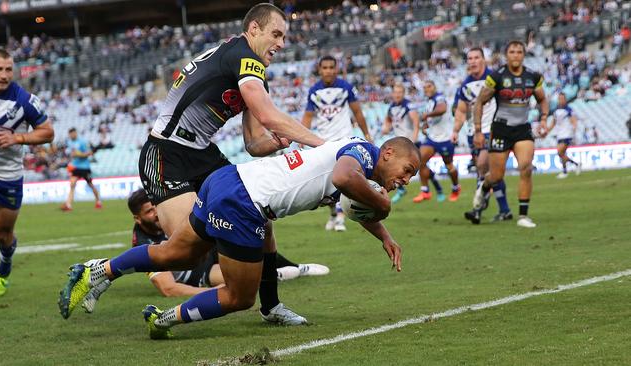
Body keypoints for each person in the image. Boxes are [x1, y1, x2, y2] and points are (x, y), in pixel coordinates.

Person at [90, 3, 325, 325]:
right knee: (185, 250)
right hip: (166, 153)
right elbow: (270, 116)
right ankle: (101, 270)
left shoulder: (251, 69)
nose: (282, 43)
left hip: (202, 153)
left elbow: (254, 144)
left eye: (284, 37)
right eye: (276, 34)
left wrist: (276, 142)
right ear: (253, 29)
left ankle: (271, 307)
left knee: (261, 220)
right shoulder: (244, 57)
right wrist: (326, 147)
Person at [58, 136, 419, 340]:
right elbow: (343, 179)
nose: (406, 180)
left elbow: (354, 198)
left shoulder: (365, 172)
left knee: (177, 254)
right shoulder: (360, 152)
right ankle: (164, 319)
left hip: (229, 181)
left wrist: (382, 233)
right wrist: (383, 208)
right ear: (387, 153)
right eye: (407, 170)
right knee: (237, 297)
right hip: (244, 202)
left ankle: (99, 270)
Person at [81, 189, 329, 312]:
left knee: (255, 237)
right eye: (148, 212)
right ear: (137, 218)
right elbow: (168, 288)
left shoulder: (169, 216)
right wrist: (212, 293)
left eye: (155, 207)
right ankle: (284, 273)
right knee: (243, 282)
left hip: (205, 257)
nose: (156, 214)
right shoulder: (142, 242)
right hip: (201, 274)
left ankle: (296, 268)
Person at [0, 48, 54, 297]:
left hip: (9, 176)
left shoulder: (25, 101)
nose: (3, 74)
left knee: (3, 234)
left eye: (8, 69)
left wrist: (17, 137)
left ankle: (5, 265)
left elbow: (47, 132)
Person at [468, 40, 549, 228]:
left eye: (519, 51)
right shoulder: (497, 77)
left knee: (526, 168)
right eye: (512, 52)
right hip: (501, 129)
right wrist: (478, 131)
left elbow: (542, 99)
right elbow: (479, 102)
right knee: (496, 175)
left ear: (523, 55)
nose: (516, 55)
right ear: (507, 55)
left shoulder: (533, 76)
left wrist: (544, 118)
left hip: (522, 128)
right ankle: (484, 186)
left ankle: (523, 216)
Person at [301, 55, 373, 231]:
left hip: (344, 140)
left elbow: (357, 112)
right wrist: (301, 139)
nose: (328, 71)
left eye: (331, 67)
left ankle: (340, 216)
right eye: (324, 67)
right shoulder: (314, 91)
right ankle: (334, 214)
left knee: (342, 180)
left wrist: (367, 134)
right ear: (319, 69)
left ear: (336, 69)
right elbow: (308, 117)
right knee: (327, 183)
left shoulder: (346, 87)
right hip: (323, 142)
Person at [452, 47, 512, 223]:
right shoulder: (465, 85)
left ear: (483, 59)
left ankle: (477, 209)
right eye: (469, 58)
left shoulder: (495, 78)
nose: (472, 61)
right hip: (473, 133)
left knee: (482, 166)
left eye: (476, 57)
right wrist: (455, 130)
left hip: (493, 130)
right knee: (491, 172)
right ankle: (505, 210)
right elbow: (461, 111)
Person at [413, 80, 461, 203]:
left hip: (445, 139)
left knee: (449, 165)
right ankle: (425, 191)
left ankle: (456, 187)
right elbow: (430, 120)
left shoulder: (439, 98)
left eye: (429, 86)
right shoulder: (429, 102)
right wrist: (425, 126)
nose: (426, 89)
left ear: (434, 87)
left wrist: (427, 115)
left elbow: (442, 109)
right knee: (420, 161)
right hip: (431, 139)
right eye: (424, 87)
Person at [60, 128, 102, 211]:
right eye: (70, 134)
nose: (71, 136)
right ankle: (68, 205)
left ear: (75, 133)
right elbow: (71, 153)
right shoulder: (69, 142)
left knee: (91, 185)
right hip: (75, 167)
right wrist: (73, 155)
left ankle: (98, 201)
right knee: (72, 184)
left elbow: (89, 153)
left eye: (72, 134)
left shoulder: (82, 142)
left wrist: (80, 154)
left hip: (84, 167)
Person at [548, 93, 581, 179]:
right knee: (562, 153)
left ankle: (568, 169)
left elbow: (573, 120)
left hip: (567, 134)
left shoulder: (568, 109)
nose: (561, 100)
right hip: (559, 134)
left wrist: (574, 130)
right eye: (559, 99)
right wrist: (547, 131)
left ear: (565, 99)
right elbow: (553, 123)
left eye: (562, 98)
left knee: (560, 152)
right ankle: (572, 167)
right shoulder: (556, 110)